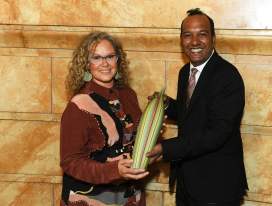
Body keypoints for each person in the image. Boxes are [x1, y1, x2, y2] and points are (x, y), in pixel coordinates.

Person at [147, 8, 248, 206]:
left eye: (202, 34)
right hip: (187, 183)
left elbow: (217, 133)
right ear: (181, 39)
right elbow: (192, 113)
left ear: (213, 38)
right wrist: (166, 104)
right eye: (187, 35)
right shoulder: (186, 72)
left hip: (217, 187)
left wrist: (167, 148)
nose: (194, 42)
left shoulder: (228, 76)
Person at [60, 31, 149, 206]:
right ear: (86, 63)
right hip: (91, 197)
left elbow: (134, 138)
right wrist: (114, 170)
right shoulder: (78, 106)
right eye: (96, 58)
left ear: (118, 59)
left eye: (110, 56)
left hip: (130, 195)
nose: (105, 64)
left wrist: (151, 133)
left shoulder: (128, 94)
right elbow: (70, 162)